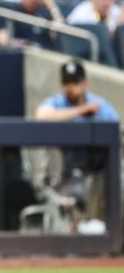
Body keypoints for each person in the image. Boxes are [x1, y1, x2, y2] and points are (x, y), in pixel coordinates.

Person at [34, 59, 119, 221]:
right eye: (66, 82)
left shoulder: (97, 104)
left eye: (74, 82)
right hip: (65, 169)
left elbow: (115, 126)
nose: (70, 87)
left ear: (84, 83)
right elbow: (41, 115)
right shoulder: (60, 102)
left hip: (98, 167)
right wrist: (81, 111)